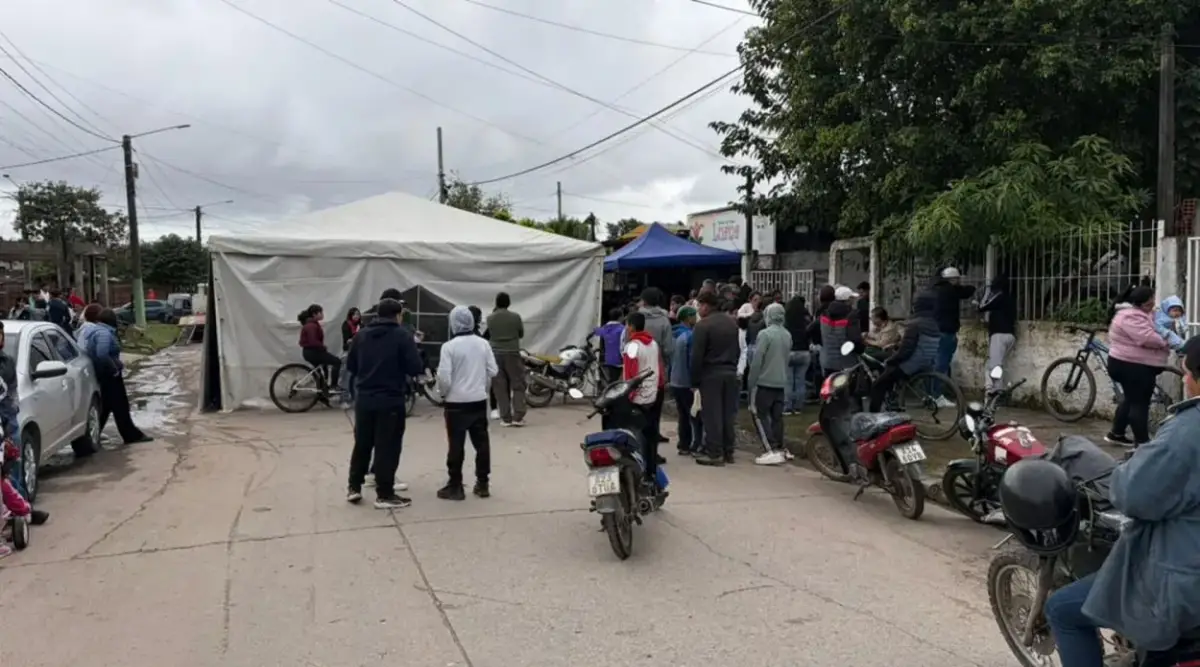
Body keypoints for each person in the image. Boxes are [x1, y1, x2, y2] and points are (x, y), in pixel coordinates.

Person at [1038, 334, 1200, 666]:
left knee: (1063, 610)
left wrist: (1131, 469)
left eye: (1186, 372)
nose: (1183, 379)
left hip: (1182, 586)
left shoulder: (1188, 431)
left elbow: (1135, 496)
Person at [345, 298, 423, 509]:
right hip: (390, 399)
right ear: (397, 315)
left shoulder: (361, 336)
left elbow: (351, 365)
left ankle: (354, 487)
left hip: (365, 398)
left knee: (362, 443)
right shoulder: (402, 336)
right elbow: (415, 367)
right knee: (387, 446)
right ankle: (385, 493)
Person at [436, 306, 498, 501]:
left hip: (456, 403)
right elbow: (493, 370)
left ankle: (455, 485)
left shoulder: (449, 347)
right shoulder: (483, 344)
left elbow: (444, 377)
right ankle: (482, 483)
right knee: (482, 444)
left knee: (456, 445)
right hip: (478, 400)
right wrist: (481, 384)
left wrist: (443, 394)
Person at [1105, 286, 1171, 446]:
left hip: (1129, 364)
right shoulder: (1130, 317)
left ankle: (1116, 433)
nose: (1153, 305)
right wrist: (1166, 341)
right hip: (1133, 366)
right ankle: (1142, 443)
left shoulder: (1137, 313)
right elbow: (1147, 338)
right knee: (1140, 404)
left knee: (1130, 399)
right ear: (1140, 304)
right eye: (1150, 303)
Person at [87, 309, 152, 445]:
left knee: (106, 405)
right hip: (110, 376)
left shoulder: (95, 330)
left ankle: (93, 434)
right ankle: (130, 435)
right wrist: (114, 368)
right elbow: (102, 354)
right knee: (120, 406)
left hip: (102, 375)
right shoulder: (104, 333)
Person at [691, 292, 741, 466]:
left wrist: (694, 380)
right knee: (728, 413)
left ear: (706, 305)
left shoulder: (703, 326)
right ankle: (729, 451)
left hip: (711, 373)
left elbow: (697, 356)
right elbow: (737, 350)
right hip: (730, 372)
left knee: (712, 415)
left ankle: (714, 453)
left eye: (699, 305)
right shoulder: (731, 323)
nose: (698, 309)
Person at [869, 291, 939, 412]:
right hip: (926, 363)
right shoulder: (933, 324)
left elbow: (906, 350)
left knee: (878, 385)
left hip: (909, 365)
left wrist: (891, 360)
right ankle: (892, 400)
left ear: (916, 307)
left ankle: (872, 418)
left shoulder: (914, 324)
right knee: (889, 376)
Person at [625, 287, 674, 448]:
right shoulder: (664, 320)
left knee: (637, 414)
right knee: (654, 412)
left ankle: (637, 447)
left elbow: (626, 346)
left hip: (636, 374)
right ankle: (653, 447)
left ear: (643, 301)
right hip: (657, 371)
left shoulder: (634, 319)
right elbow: (668, 349)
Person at [621, 312, 664, 485]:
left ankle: (639, 473)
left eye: (627, 325)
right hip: (655, 393)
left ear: (631, 326)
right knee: (651, 435)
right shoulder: (653, 344)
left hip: (638, 398)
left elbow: (630, 376)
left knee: (637, 437)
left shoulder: (632, 346)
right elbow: (659, 368)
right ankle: (651, 472)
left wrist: (628, 396)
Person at [747, 303, 792, 466]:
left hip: (764, 381)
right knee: (777, 417)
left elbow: (757, 360)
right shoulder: (787, 334)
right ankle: (779, 446)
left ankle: (769, 448)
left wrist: (751, 382)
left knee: (760, 415)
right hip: (780, 382)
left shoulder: (765, 334)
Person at [931, 267, 976, 407]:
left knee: (935, 364)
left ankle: (931, 395)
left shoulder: (935, 290)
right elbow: (968, 291)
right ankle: (937, 396)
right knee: (942, 364)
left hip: (935, 331)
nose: (959, 281)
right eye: (957, 279)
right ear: (952, 279)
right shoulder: (950, 290)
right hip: (946, 331)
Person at [486, 292, 526, 427]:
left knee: (500, 387)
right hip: (512, 353)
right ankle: (518, 416)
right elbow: (521, 334)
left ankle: (506, 418)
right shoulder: (516, 317)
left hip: (496, 354)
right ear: (508, 303)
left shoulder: (490, 318)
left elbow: (490, 334)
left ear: (496, 303)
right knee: (518, 384)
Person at [669, 306, 702, 456]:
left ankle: (683, 444)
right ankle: (695, 443)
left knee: (682, 415)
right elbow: (691, 360)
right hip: (686, 381)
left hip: (675, 380)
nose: (696, 318)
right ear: (688, 318)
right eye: (694, 315)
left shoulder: (673, 335)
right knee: (694, 414)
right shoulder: (690, 336)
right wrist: (695, 382)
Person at [978, 274, 1017, 391]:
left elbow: (981, 307)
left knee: (993, 366)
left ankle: (994, 393)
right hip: (1010, 335)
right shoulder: (1010, 298)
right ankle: (1000, 391)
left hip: (999, 335)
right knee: (999, 365)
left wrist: (987, 293)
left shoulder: (998, 297)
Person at [818, 286, 863, 379]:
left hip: (827, 362)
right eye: (852, 299)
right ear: (847, 300)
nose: (854, 301)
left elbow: (814, 331)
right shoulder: (851, 317)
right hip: (847, 363)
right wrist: (861, 349)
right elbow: (855, 340)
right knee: (846, 391)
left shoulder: (824, 315)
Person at [298, 304, 341, 399]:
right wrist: (322, 347)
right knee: (337, 362)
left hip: (311, 352)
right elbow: (313, 341)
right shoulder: (311, 326)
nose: (322, 314)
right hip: (313, 352)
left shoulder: (312, 324)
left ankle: (323, 392)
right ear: (314, 314)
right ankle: (334, 386)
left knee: (322, 370)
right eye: (320, 312)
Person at [783, 295, 812, 415]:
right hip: (804, 352)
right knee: (800, 380)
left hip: (789, 351)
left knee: (788, 381)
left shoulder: (786, 321)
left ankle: (787, 407)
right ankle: (798, 406)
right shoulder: (806, 320)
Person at [593, 309, 626, 386]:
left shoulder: (604, 328)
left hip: (607, 358)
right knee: (617, 381)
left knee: (611, 379)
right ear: (620, 317)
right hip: (620, 359)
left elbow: (595, 332)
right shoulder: (623, 329)